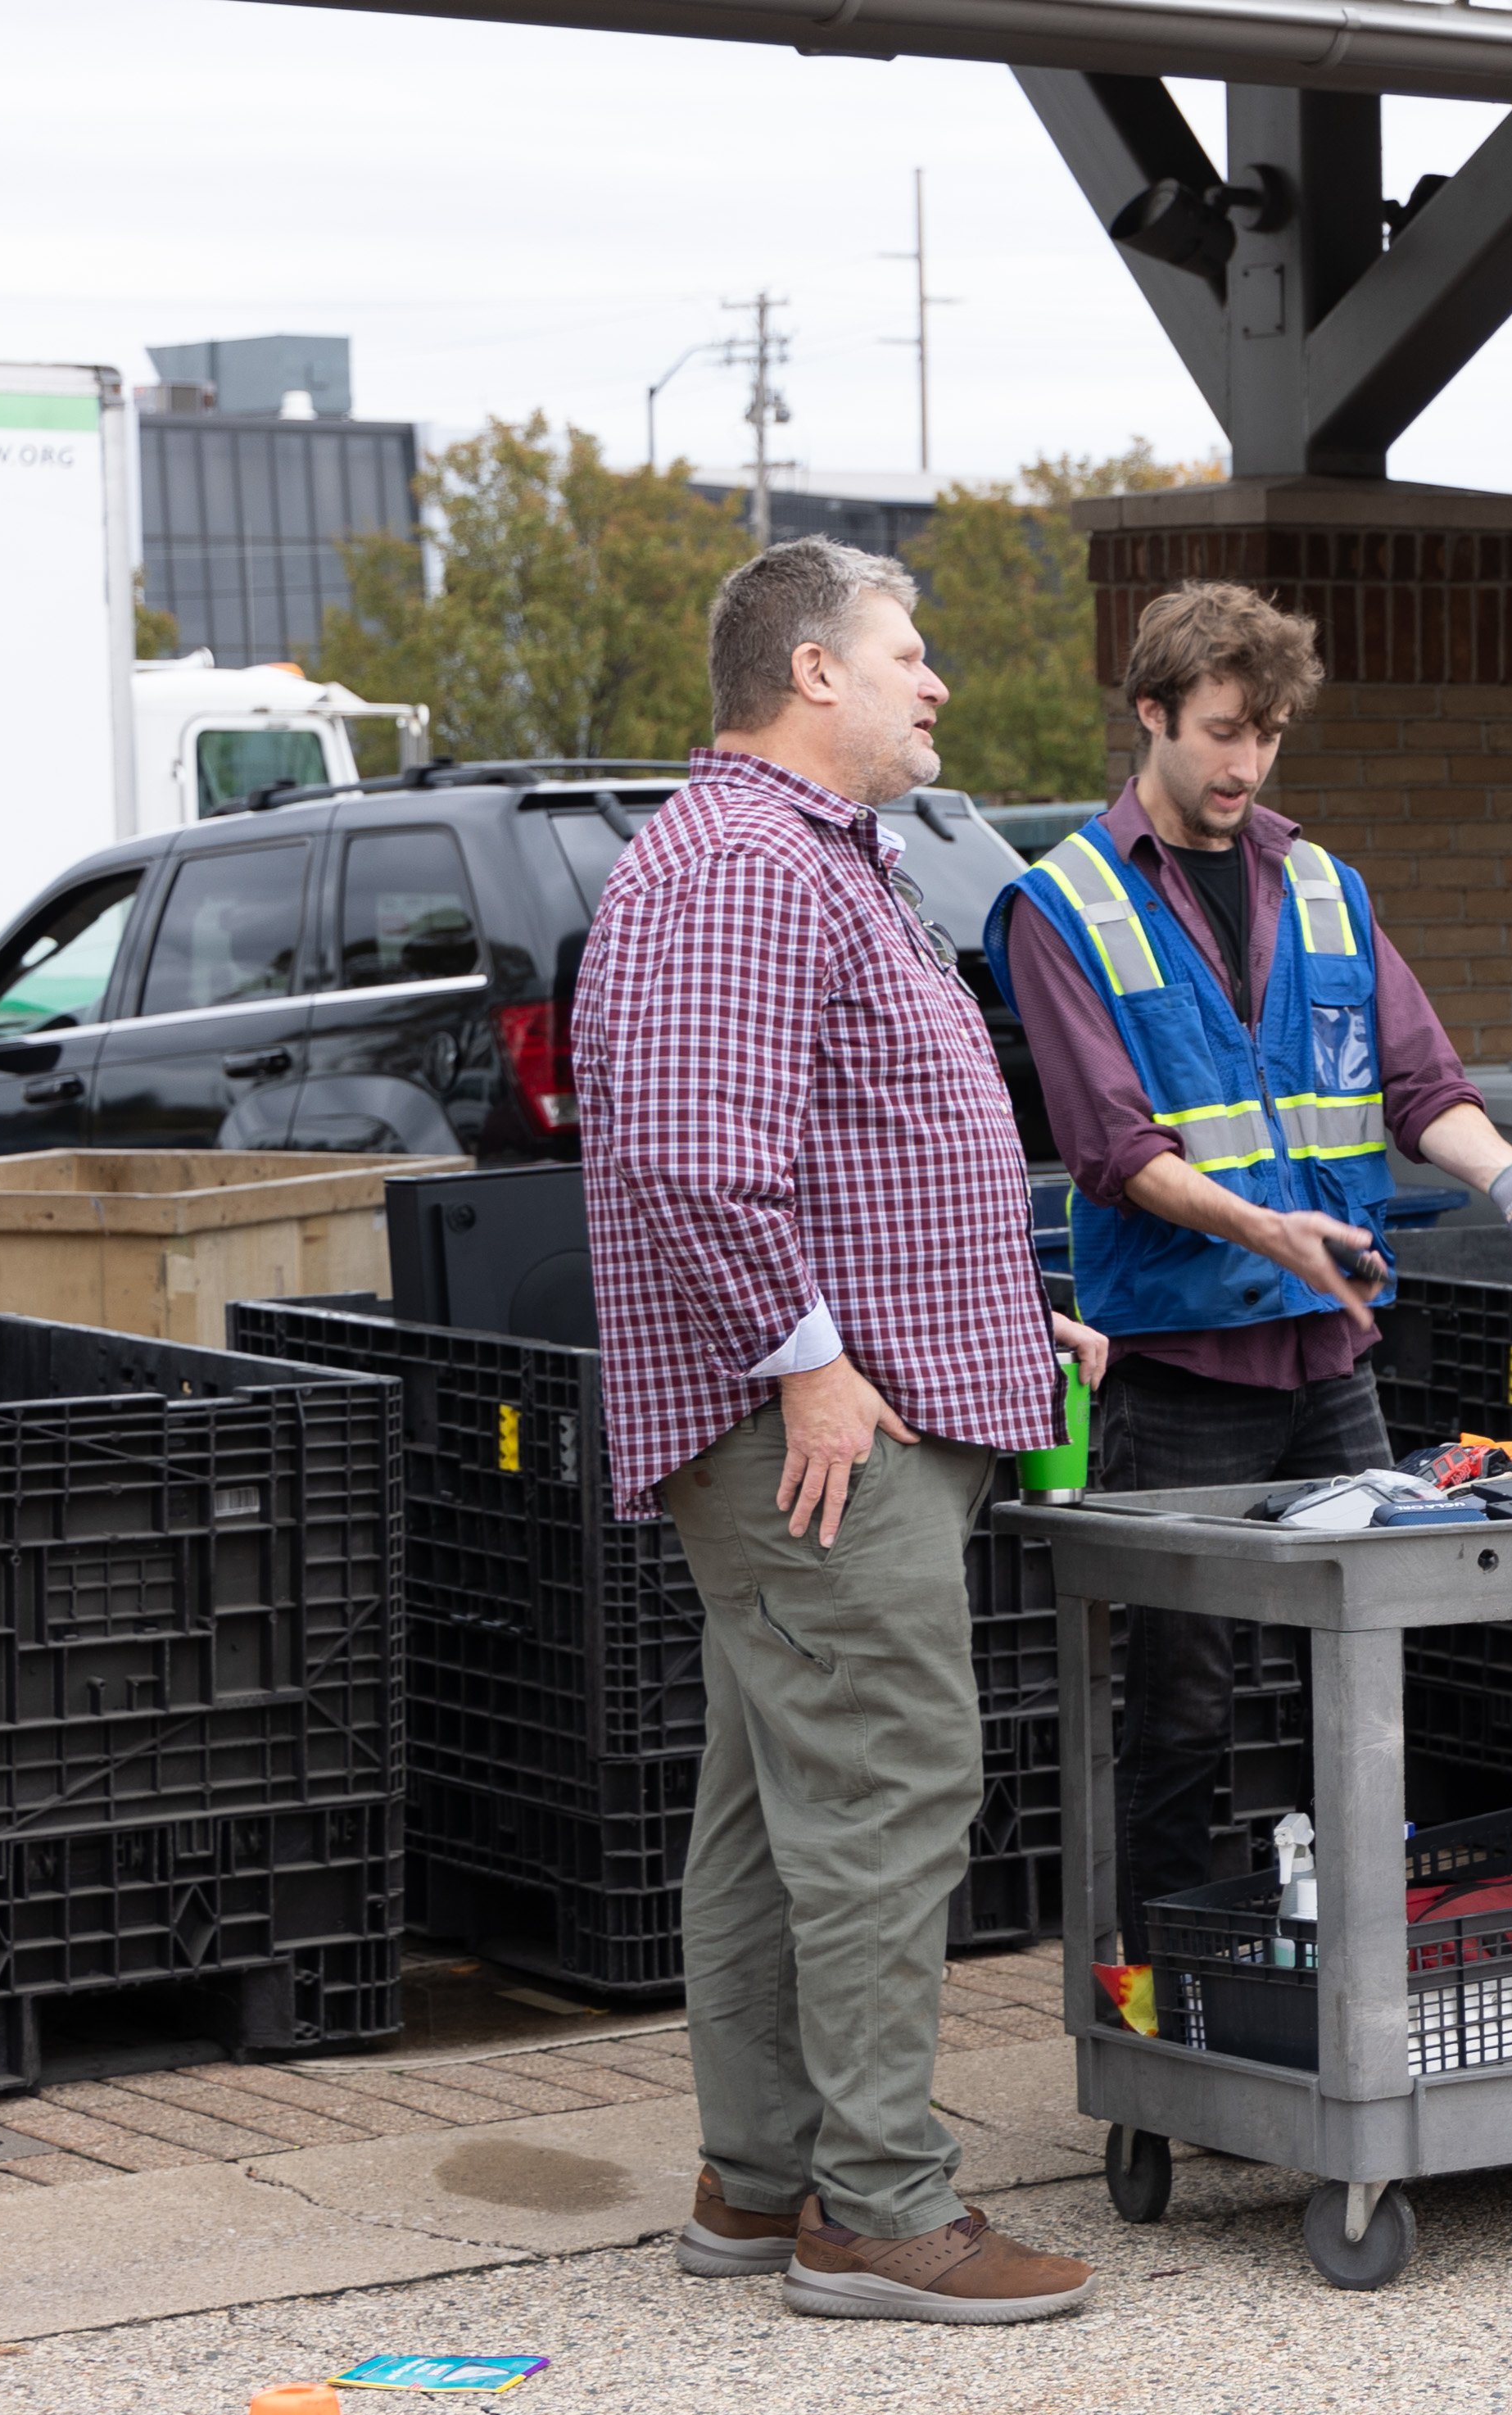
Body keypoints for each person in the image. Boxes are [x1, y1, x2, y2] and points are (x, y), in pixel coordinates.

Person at [578, 538, 1111, 2323]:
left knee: (772, 1813)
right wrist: (809, 1363)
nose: (934, 680)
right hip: (816, 1439)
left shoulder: (813, 860)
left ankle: (760, 2182)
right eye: (910, 650)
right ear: (815, 673)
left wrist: (990, 1300)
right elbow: (691, 1154)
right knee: (889, 1789)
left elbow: (848, 1147)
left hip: (845, 1407)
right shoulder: (743, 860)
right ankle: (881, 2211)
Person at [984, 581, 1512, 1953]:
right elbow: (1111, 1148)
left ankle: (1357, 1961)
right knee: (1182, 1698)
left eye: (1266, 735)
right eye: (1220, 731)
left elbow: (1417, 1080)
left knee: (1364, 1673)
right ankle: (1162, 1975)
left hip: (1329, 1351)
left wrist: (1501, 1170)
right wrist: (1268, 1231)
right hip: (1185, 1364)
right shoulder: (1061, 906)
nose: (1244, 765)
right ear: (1150, 713)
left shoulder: (1325, 887)